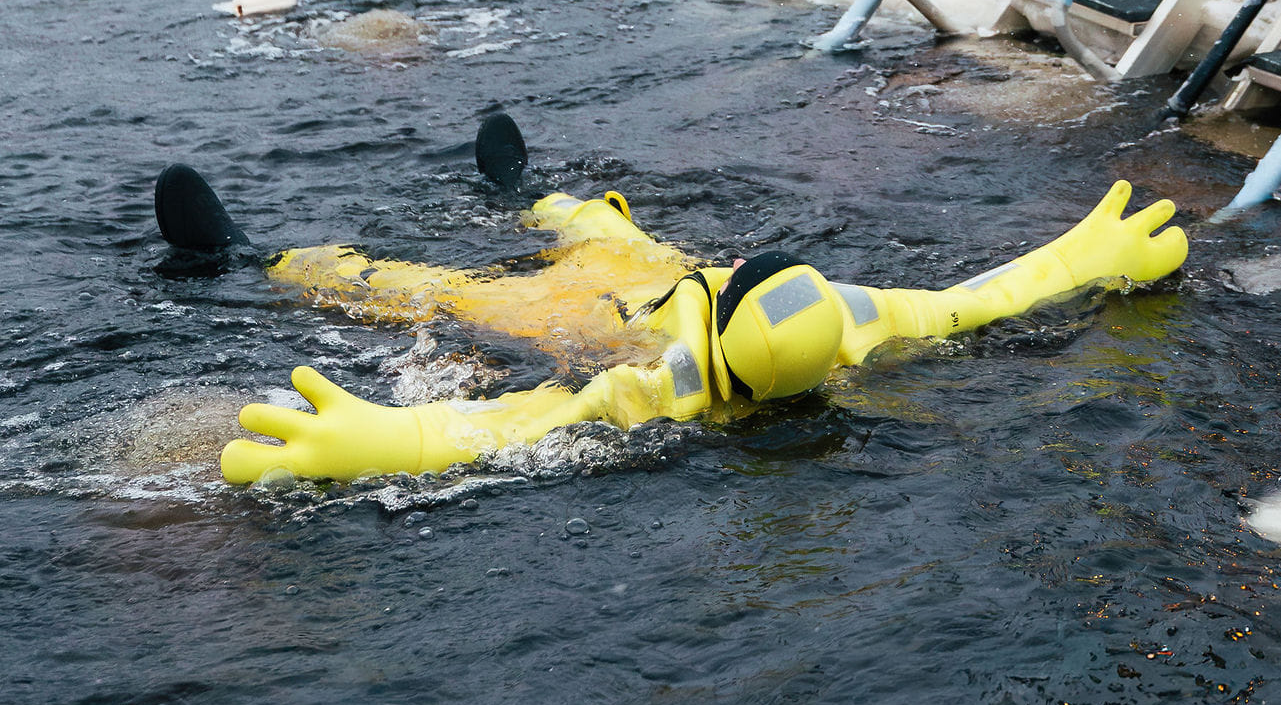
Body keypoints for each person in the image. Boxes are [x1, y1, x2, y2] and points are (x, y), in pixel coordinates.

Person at [153, 124, 1188, 485]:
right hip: (651, 271)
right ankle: (523, 193)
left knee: (421, 289)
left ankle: (254, 254)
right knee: (606, 224)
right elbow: (977, 303)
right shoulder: (853, 320)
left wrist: (387, 438)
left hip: (571, 315)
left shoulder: (673, 384)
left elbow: (527, 420)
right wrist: (1082, 255)